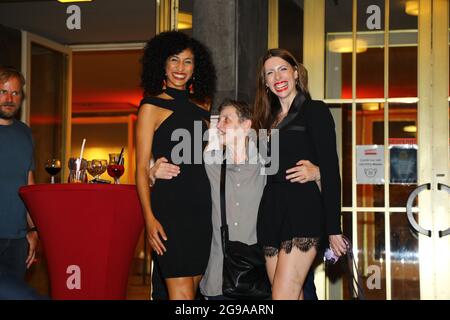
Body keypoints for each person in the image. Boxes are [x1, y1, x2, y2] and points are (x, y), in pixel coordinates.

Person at [150, 99, 321, 300]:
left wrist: (318, 172)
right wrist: (152, 173)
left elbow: (300, 187)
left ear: (246, 125)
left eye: (227, 120)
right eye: (219, 120)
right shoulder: (207, 163)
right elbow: (177, 179)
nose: (219, 126)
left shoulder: (268, 161)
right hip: (219, 281)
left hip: (263, 276)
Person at [253, 49, 347, 300]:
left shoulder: (314, 110)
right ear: (265, 82)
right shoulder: (265, 120)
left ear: (295, 73)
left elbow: (331, 168)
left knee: (282, 296)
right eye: (269, 73)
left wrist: (333, 227)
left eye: (283, 69)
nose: (277, 76)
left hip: (302, 208)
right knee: (289, 294)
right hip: (271, 212)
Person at [135, 31, 216, 300]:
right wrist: (149, 219)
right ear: (162, 64)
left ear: (196, 68)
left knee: (192, 294)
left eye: (188, 62)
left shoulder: (204, 106)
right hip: (171, 209)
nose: (180, 68)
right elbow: (139, 168)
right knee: (181, 295)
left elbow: (209, 158)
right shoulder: (151, 106)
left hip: (203, 210)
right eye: (174, 60)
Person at [0, 66, 43, 298]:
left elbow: (29, 187)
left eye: (15, 93)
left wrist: (34, 229)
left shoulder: (25, 133)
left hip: (17, 241)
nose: (9, 99)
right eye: (3, 91)